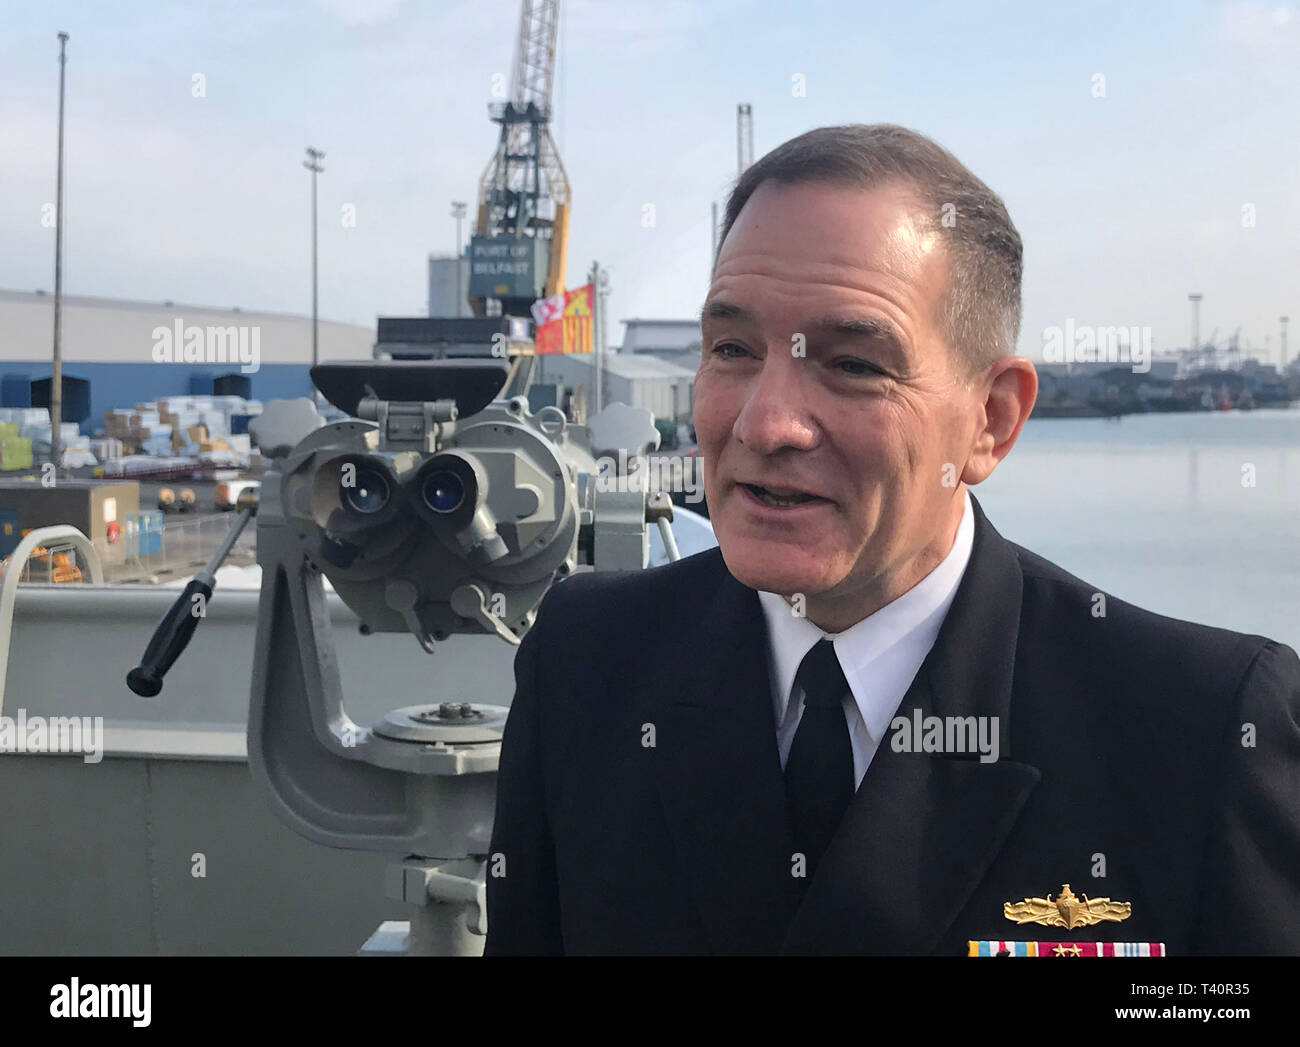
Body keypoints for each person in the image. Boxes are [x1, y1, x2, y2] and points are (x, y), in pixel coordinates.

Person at [484, 124, 1300, 956]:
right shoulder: (587, 664)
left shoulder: (1198, 731)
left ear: (991, 420)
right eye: (733, 348)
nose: (766, 422)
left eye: (854, 364)